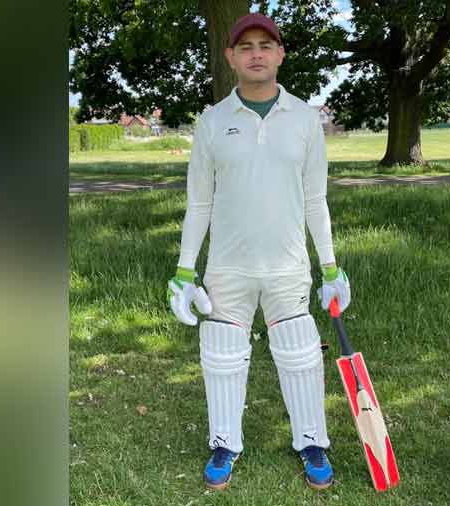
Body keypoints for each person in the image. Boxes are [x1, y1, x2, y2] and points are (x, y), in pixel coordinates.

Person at [166, 12, 351, 491]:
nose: (256, 53)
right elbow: (199, 202)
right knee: (222, 358)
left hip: (288, 265)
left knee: (300, 356)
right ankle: (224, 444)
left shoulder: (307, 119)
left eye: (265, 45)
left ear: (280, 54)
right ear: (230, 57)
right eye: (245, 46)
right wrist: (186, 272)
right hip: (228, 266)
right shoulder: (211, 121)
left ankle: (312, 442)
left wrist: (329, 266)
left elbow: (316, 200)